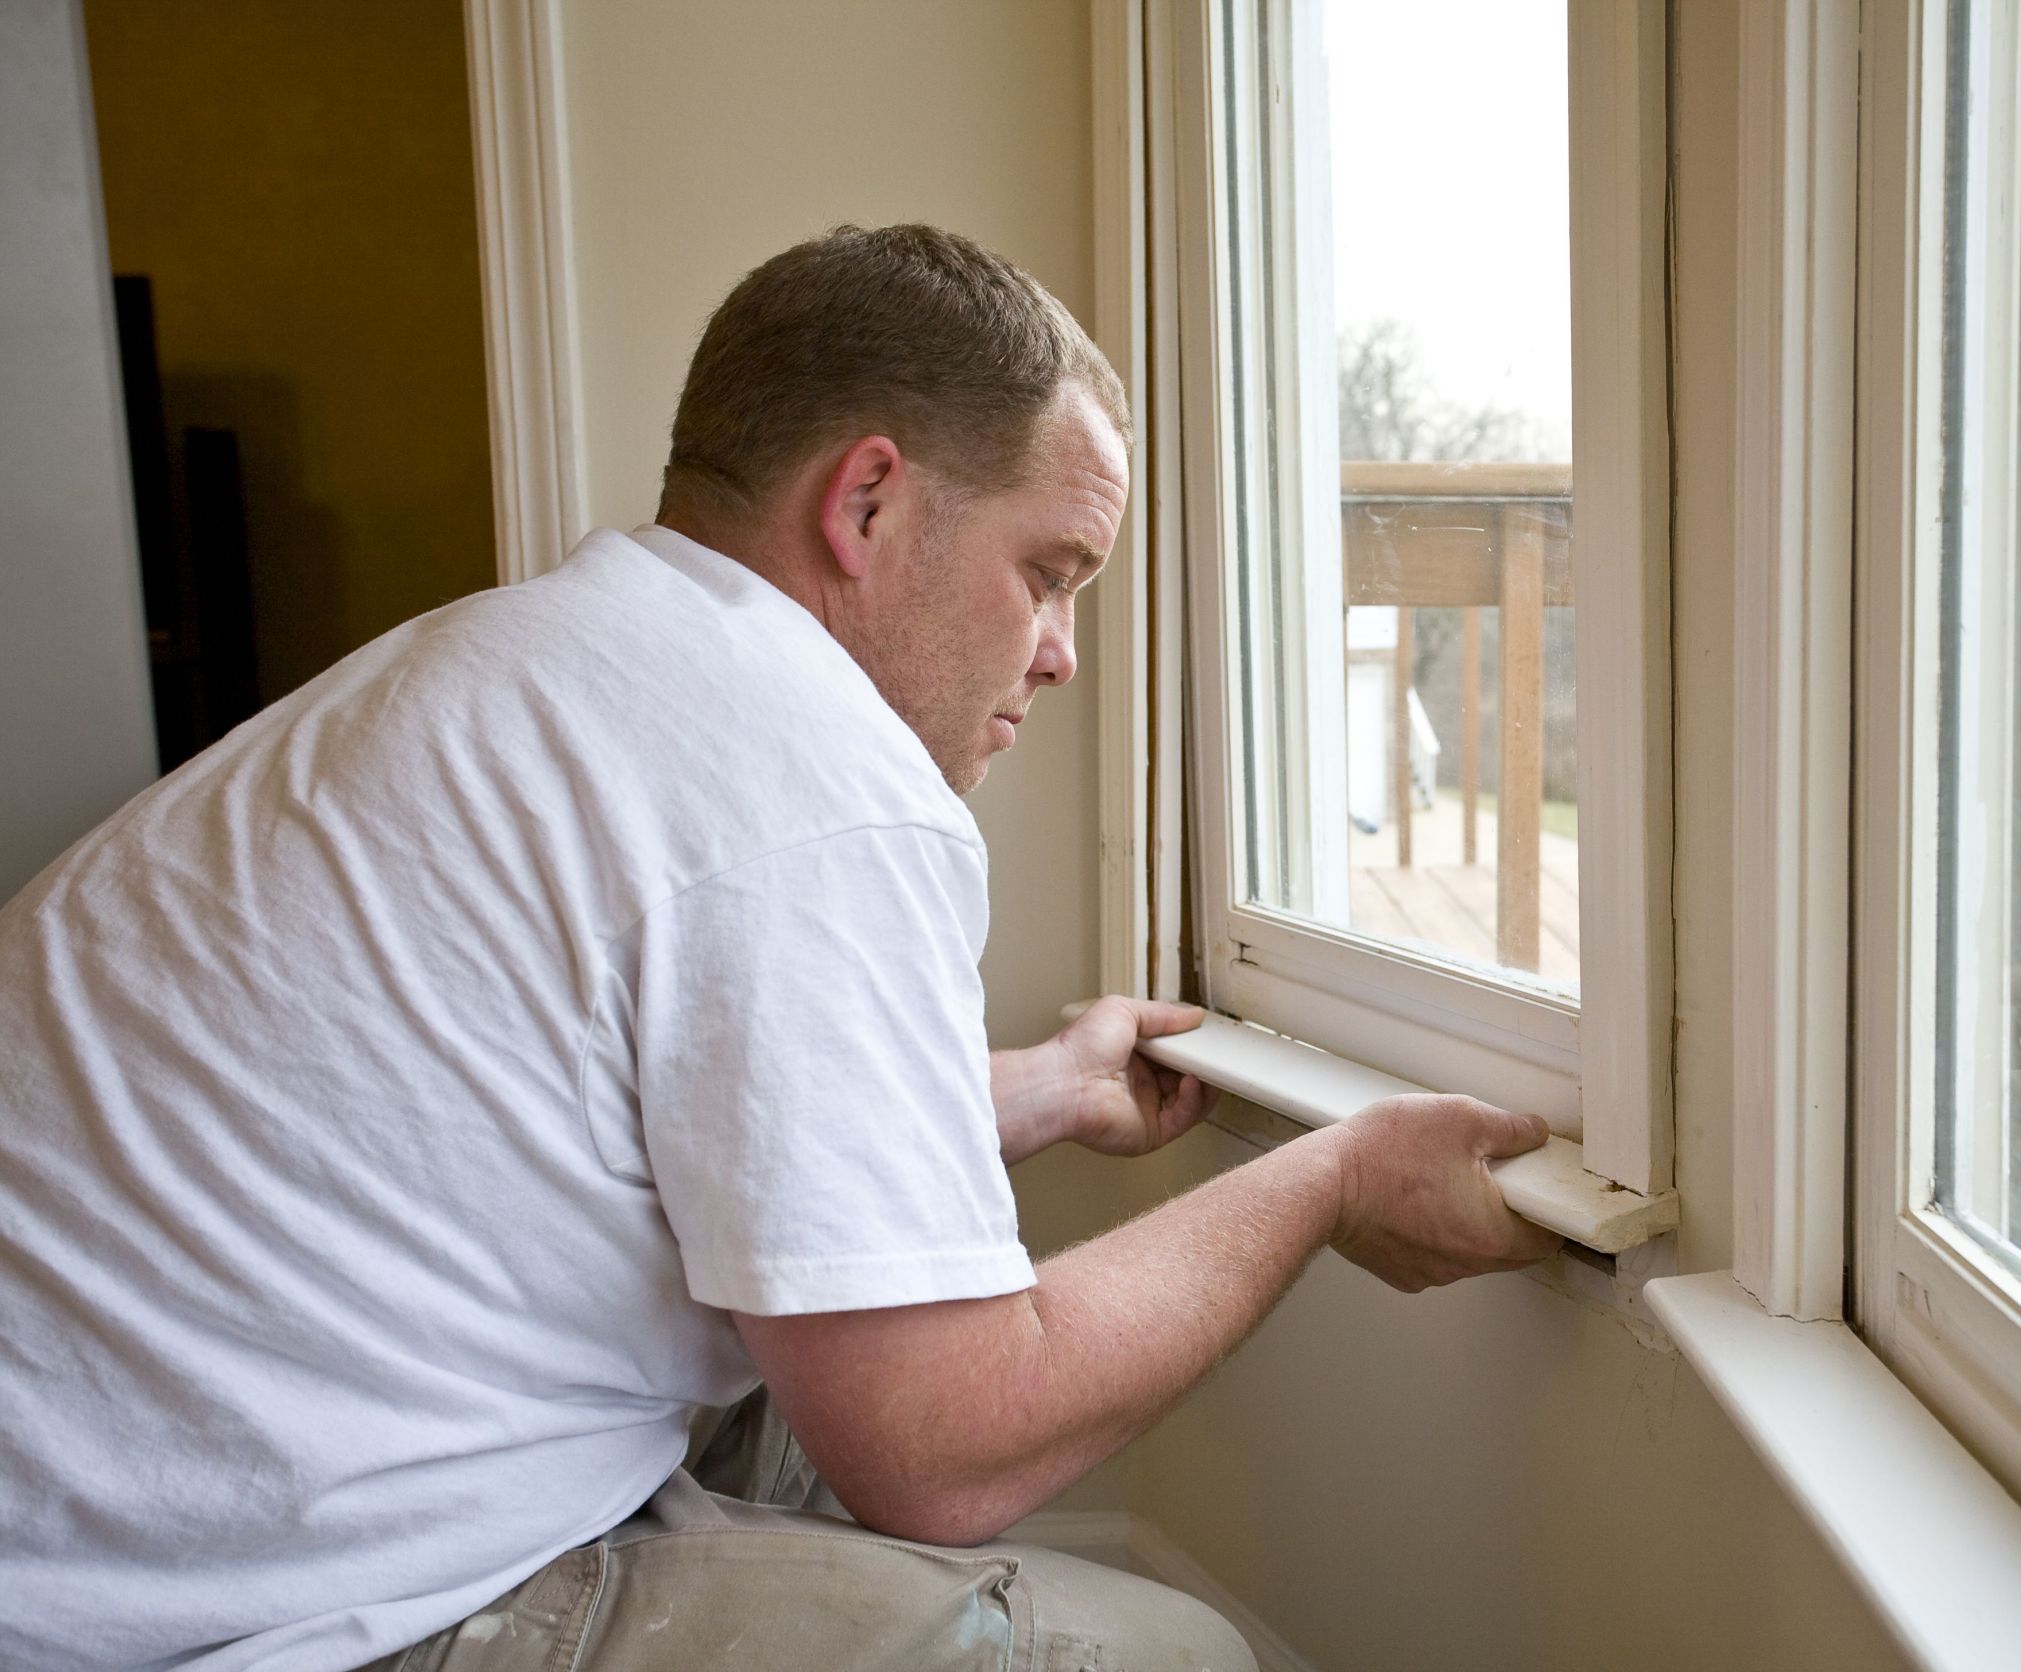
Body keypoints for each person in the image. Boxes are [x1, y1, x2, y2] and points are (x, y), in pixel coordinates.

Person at [0, 223, 1561, 1672]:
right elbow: (947, 1448)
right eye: (1048, 572)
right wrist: (1329, 1178)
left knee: (794, 1386)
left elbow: (630, 1117)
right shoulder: (803, 783)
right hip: (204, 1611)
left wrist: (1035, 1089)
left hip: (118, 1510)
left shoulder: (538, 663)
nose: (1063, 651)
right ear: (867, 501)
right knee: (1178, 1659)